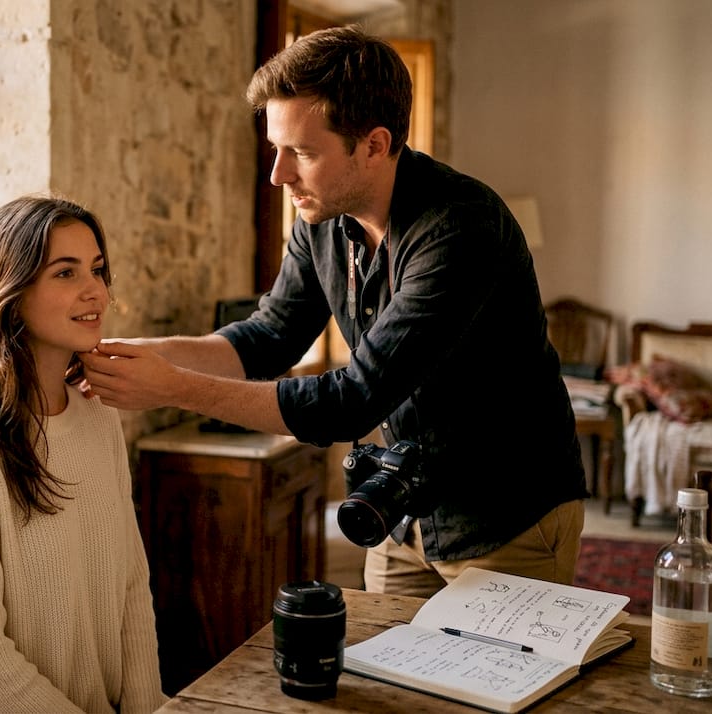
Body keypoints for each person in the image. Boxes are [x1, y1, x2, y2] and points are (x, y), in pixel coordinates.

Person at [79, 26, 588, 599]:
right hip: (400, 510)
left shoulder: (460, 228)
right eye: (275, 148)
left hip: (507, 515)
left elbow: (353, 400)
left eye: (300, 152)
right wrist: (151, 354)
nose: (278, 175)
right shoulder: (318, 224)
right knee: (388, 685)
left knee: (493, 689)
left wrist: (171, 387)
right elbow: (268, 339)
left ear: (373, 145)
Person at [0, 194, 166, 713]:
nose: (95, 291)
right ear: (9, 292)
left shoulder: (99, 416)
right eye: (65, 273)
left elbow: (131, 586)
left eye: (98, 269)